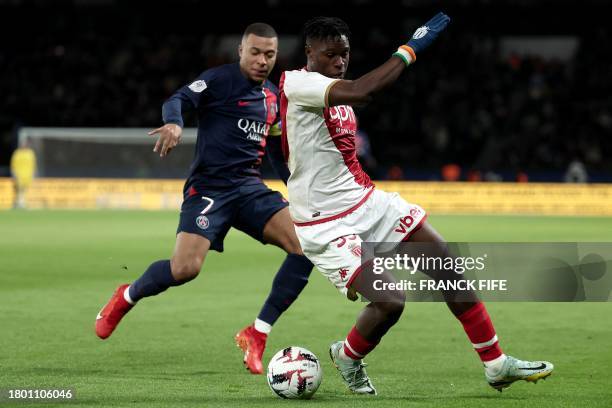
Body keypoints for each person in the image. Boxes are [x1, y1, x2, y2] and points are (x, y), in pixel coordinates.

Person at [279, 14, 553, 395]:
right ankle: (348, 355)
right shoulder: (299, 83)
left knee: (445, 263)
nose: (340, 61)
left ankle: (496, 364)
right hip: (325, 224)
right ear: (309, 52)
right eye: (331, 55)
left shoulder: (332, 91)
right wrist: (410, 49)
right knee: (391, 301)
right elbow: (363, 90)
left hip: (366, 202)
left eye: (344, 54)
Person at [94, 23, 313, 375]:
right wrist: (175, 123)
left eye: (269, 55)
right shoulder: (219, 80)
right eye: (254, 52)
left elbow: (274, 149)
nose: (261, 60)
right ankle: (127, 295)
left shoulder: (273, 98)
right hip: (209, 189)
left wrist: (296, 189)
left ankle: (257, 333)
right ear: (240, 50)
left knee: (306, 246)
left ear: (277, 57)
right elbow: (178, 99)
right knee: (185, 269)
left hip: (249, 188)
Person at [10, 137, 37, 209]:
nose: (24, 146)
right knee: (19, 190)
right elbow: (13, 164)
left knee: (24, 190)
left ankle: (22, 203)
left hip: (27, 175)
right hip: (19, 175)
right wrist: (14, 174)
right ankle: (20, 203)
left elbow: (33, 164)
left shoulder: (30, 153)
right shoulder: (17, 153)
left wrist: (33, 174)